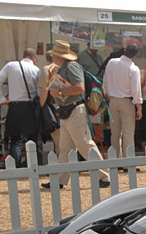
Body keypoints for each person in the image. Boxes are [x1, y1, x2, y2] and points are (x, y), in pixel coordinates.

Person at [42, 40, 110, 189]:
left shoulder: (72, 67)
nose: (53, 58)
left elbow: (80, 88)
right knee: (66, 148)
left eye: (54, 55)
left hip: (74, 110)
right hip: (68, 111)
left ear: (60, 56)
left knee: (84, 144)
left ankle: (105, 176)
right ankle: (59, 180)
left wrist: (59, 92)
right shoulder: (63, 68)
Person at [0, 48, 40, 168]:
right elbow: (39, 91)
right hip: (30, 106)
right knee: (31, 139)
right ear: (34, 58)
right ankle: (32, 166)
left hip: (14, 105)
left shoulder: (11, 65)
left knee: (15, 139)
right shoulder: (36, 69)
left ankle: (15, 167)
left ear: (23, 55)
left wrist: (2, 99)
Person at [102, 43, 142, 158]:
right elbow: (136, 89)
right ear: (136, 55)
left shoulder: (111, 62)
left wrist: (107, 94)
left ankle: (116, 159)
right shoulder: (134, 68)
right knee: (128, 133)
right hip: (126, 101)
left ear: (124, 50)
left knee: (115, 133)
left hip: (113, 100)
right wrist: (139, 107)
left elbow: (105, 80)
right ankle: (128, 161)